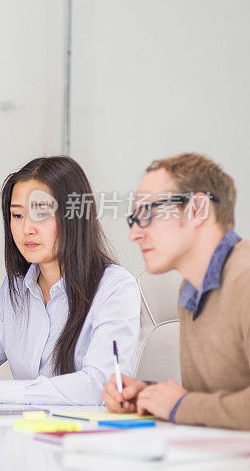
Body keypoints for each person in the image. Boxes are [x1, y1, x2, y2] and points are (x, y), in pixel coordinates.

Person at [0, 156, 141, 404]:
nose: (27, 229)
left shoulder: (115, 287)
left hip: (85, 438)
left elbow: (102, 385)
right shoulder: (16, 287)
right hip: (27, 435)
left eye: (41, 214)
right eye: (17, 215)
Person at [103, 153, 250, 429]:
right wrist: (150, 395)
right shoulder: (191, 289)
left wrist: (179, 405)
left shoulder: (245, 279)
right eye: (133, 218)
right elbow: (217, 399)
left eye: (148, 213)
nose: (134, 234)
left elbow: (194, 405)